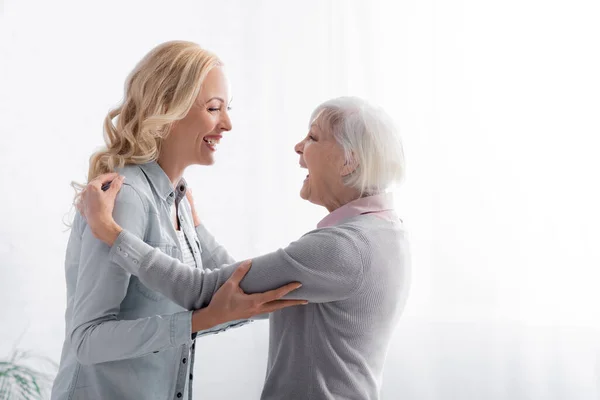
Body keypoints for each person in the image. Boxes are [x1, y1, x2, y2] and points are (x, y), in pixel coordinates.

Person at [79, 96, 411, 400]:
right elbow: (247, 289)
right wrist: (196, 228)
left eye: (313, 137)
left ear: (348, 161)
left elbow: (203, 290)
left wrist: (111, 233)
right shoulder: (384, 234)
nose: (298, 147)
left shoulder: (342, 248)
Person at [51, 41, 307, 400]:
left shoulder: (181, 203)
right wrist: (197, 322)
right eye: (214, 108)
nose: (228, 124)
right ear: (167, 109)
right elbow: (87, 341)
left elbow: (227, 290)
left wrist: (321, 285)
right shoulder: (125, 198)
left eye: (227, 109)